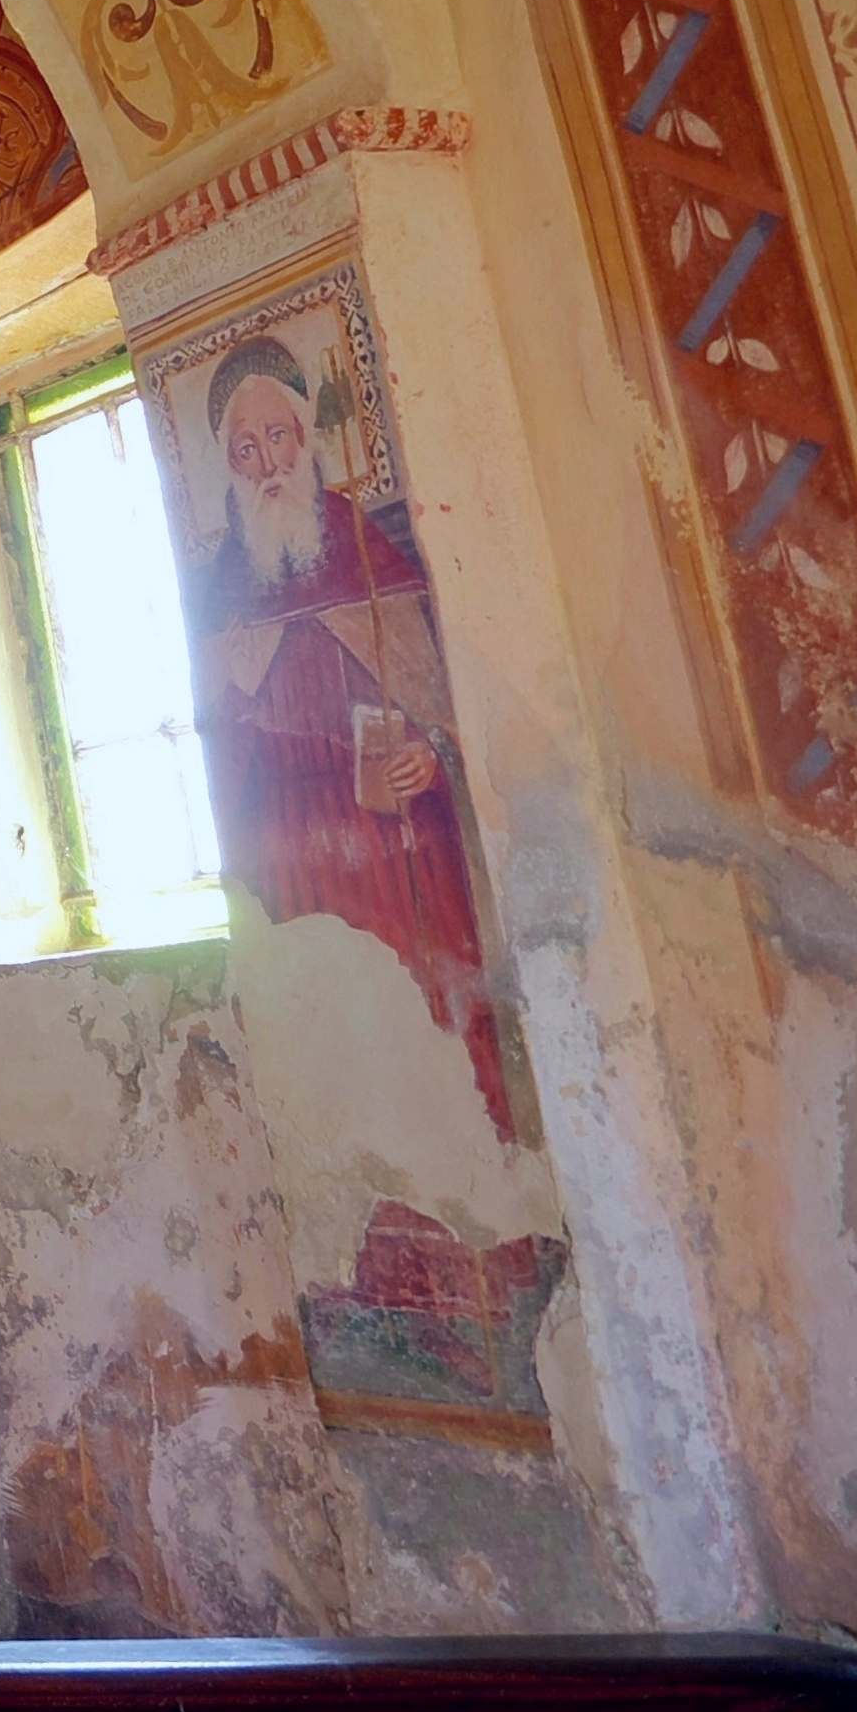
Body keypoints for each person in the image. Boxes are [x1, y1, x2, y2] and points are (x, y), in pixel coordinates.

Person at [187, 336, 507, 1133]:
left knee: (427, 1048)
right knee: (332, 1062)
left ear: (307, 440)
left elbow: (446, 710)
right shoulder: (222, 591)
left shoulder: (369, 553)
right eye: (246, 448)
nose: (266, 464)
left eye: (278, 439)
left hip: (396, 859)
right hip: (292, 863)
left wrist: (429, 758)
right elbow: (215, 752)